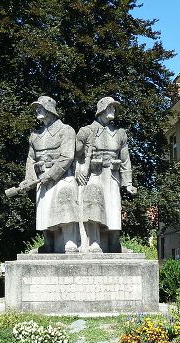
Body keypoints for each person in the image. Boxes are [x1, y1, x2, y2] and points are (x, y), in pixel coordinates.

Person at [76, 97, 137, 252]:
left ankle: (114, 244)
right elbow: (75, 155)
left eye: (114, 108)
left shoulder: (120, 134)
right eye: (110, 107)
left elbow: (125, 159)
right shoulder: (86, 131)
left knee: (113, 208)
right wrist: (78, 171)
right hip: (93, 174)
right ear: (101, 109)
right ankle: (94, 242)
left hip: (112, 175)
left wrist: (128, 183)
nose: (113, 110)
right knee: (94, 206)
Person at [21, 96, 79, 253]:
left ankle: (70, 241)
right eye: (37, 108)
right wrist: (29, 179)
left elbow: (67, 157)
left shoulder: (66, 130)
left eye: (40, 107)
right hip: (41, 177)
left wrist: (50, 175)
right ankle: (48, 243)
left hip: (61, 176)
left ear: (50, 110)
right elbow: (30, 159)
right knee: (44, 209)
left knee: (65, 199)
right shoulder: (35, 135)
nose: (37, 110)